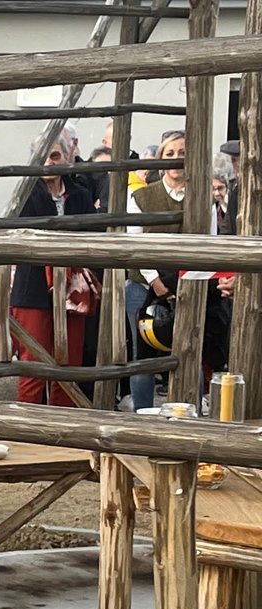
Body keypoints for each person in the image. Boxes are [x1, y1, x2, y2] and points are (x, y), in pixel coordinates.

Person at [125, 129, 231, 407]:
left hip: (188, 284)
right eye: (169, 153)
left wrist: (189, 283)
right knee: (143, 357)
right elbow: (135, 244)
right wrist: (155, 281)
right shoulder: (141, 197)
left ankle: (188, 412)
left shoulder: (202, 198)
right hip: (144, 285)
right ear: (160, 159)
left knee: (189, 351)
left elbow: (208, 244)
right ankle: (143, 416)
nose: (176, 159)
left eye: (183, 153)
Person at [9, 137, 98, 406]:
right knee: (34, 362)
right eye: (43, 156)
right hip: (34, 289)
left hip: (73, 288)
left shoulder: (80, 193)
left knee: (68, 362)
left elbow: (92, 237)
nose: (49, 162)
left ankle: (62, 426)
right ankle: (27, 428)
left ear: (67, 157)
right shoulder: (25, 191)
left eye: (55, 156)